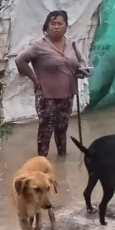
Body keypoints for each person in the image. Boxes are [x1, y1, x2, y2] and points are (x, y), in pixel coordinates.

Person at [15, 10, 87, 157]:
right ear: (47, 26)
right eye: (53, 23)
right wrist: (34, 79)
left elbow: (81, 61)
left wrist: (81, 69)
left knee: (62, 128)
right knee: (46, 130)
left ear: (66, 26)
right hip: (47, 96)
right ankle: (42, 161)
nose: (56, 27)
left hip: (67, 94)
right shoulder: (38, 45)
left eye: (60, 23)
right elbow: (20, 60)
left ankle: (62, 158)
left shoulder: (71, 43)